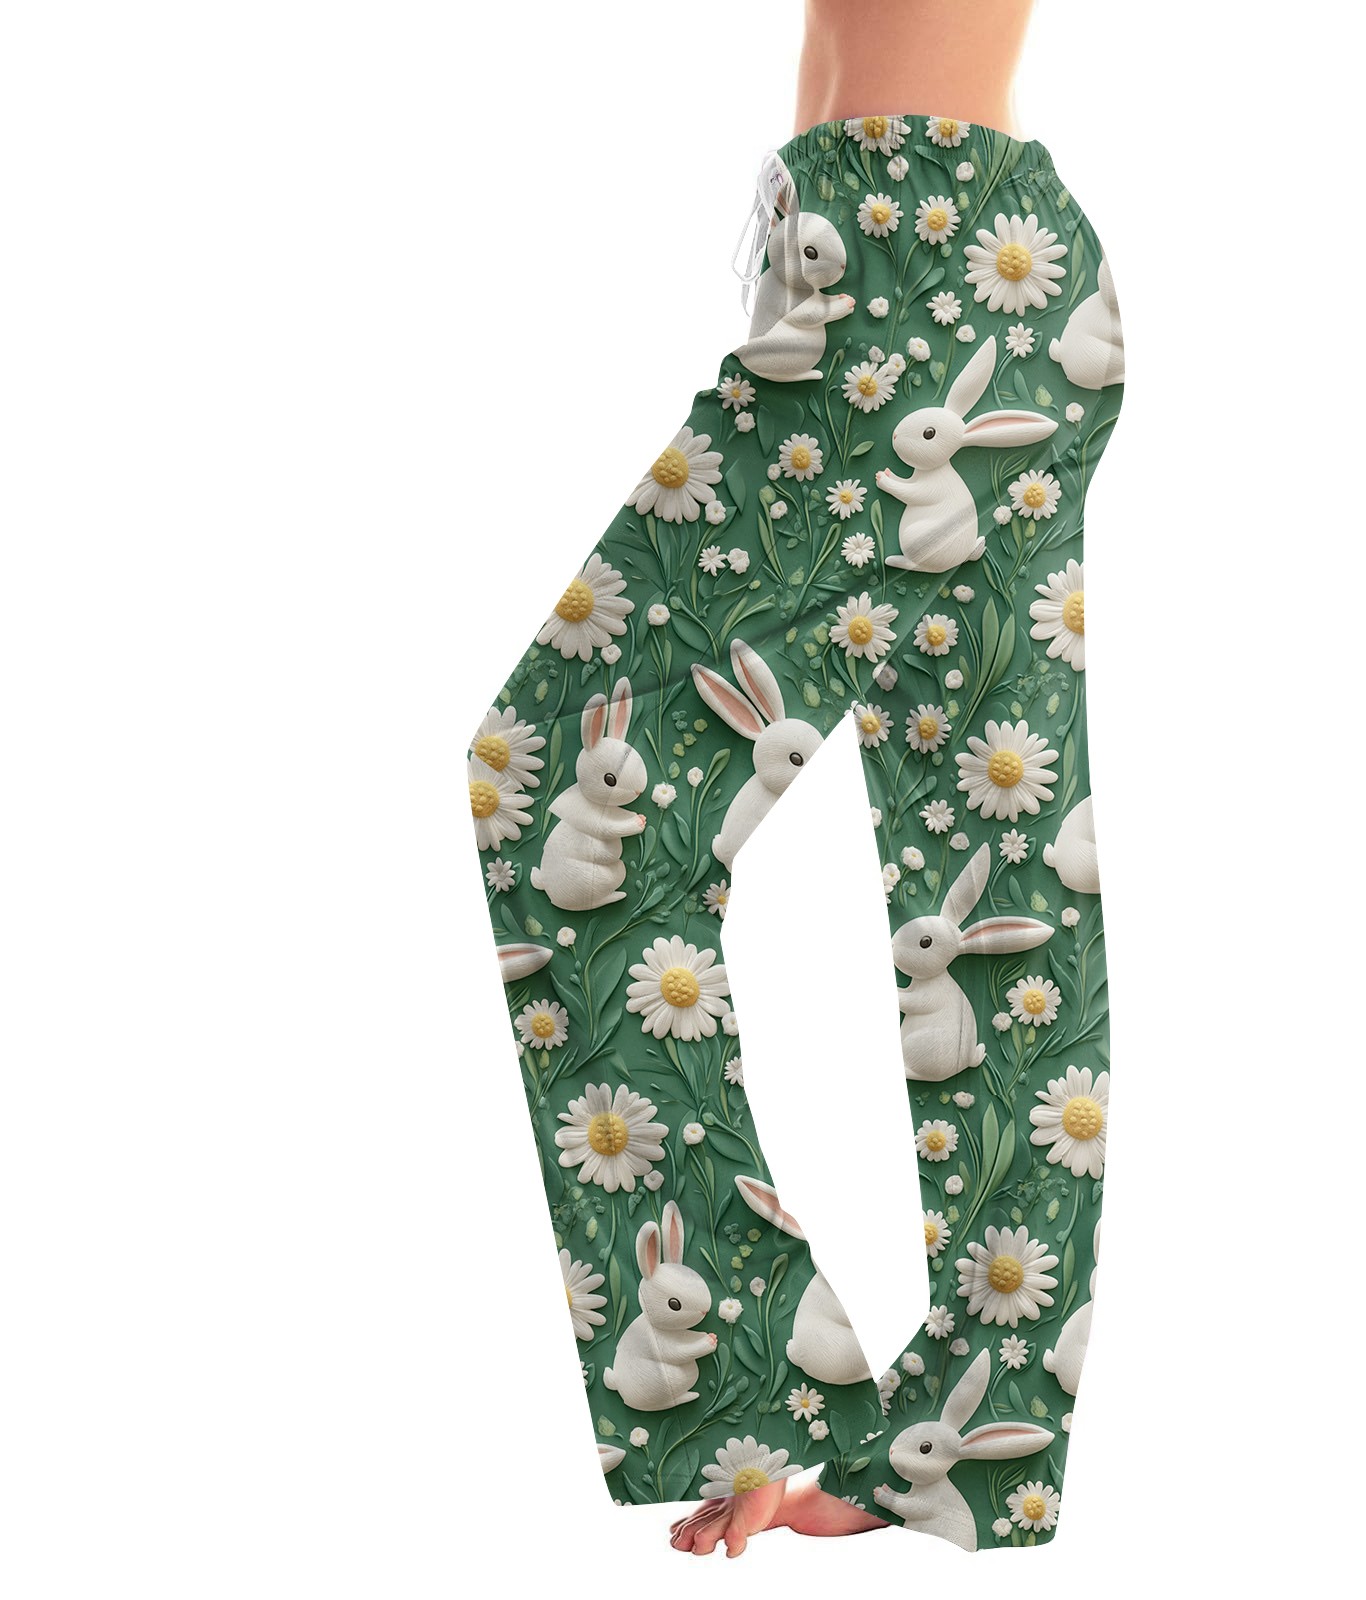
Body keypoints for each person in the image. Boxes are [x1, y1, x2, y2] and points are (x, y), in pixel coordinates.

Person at [465, 0, 1123, 1557]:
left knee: (560, 782)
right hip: (924, 265)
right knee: (1003, 874)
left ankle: (759, 1386)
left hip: (912, 272)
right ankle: (955, 1446)